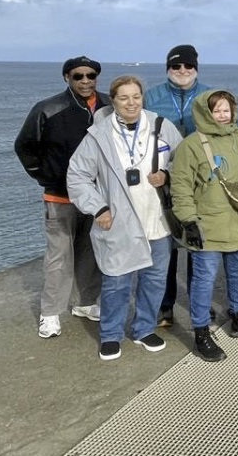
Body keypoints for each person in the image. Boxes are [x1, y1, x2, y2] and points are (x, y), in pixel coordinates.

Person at [66, 76, 183, 360]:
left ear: (143, 97)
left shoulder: (161, 126)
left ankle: (143, 328)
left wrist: (166, 175)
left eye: (136, 96)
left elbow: (183, 161)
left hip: (156, 219)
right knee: (116, 281)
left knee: (154, 279)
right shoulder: (99, 134)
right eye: (123, 98)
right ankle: (110, 334)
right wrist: (98, 208)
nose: (131, 103)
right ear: (114, 101)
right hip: (118, 221)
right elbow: (77, 175)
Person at [170, 90, 238, 362]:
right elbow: (180, 187)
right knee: (203, 279)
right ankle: (201, 330)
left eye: (226, 109)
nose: (223, 115)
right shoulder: (191, 145)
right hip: (207, 225)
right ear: (205, 113)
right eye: (217, 110)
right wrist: (188, 219)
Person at [15, 56, 107, 339]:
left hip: (97, 197)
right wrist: (47, 176)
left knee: (90, 253)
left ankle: (86, 303)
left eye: (90, 75)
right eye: (78, 76)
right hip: (60, 197)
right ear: (66, 77)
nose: (85, 81)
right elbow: (24, 146)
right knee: (58, 257)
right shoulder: (47, 109)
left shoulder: (108, 106)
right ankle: (50, 313)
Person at [143, 44, 211, 329]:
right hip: (162, 182)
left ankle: (199, 307)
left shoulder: (209, 95)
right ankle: (164, 306)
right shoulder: (152, 96)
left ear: (196, 67)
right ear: (167, 69)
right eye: (175, 66)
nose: (182, 71)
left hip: (200, 183)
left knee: (199, 247)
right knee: (165, 248)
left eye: (188, 66)